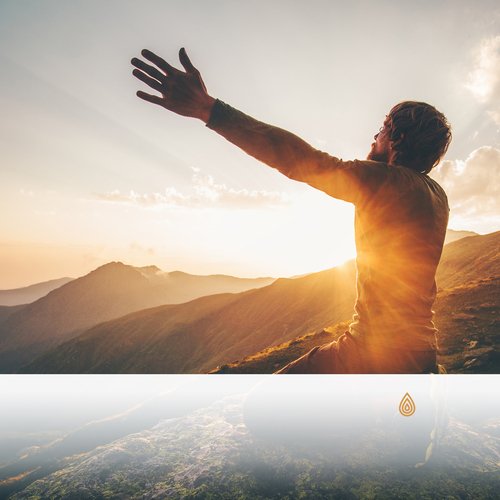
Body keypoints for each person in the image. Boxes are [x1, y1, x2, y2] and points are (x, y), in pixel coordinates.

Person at [131, 48, 452, 374]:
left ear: (396, 137)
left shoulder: (387, 182)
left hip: (376, 351)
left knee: (267, 408)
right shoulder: (436, 195)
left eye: (382, 127)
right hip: (418, 351)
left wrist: (209, 110)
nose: (374, 134)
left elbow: (303, 162)